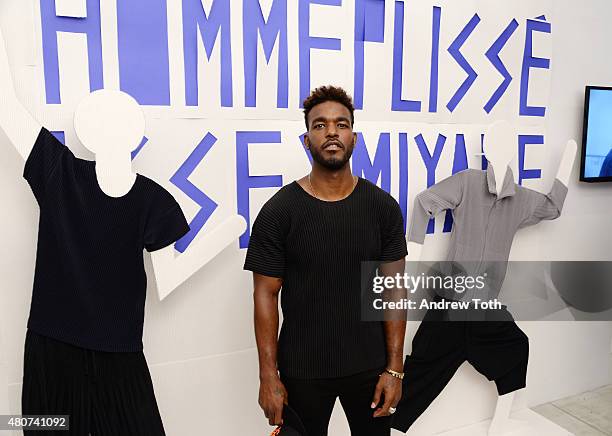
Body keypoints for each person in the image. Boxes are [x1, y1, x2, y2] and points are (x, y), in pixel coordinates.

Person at [244, 86, 408, 436]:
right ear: (306, 140)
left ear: (354, 137)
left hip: (370, 368)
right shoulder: (279, 212)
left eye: (341, 124)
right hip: (301, 371)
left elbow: (395, 292)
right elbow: (265, 295)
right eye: (319, 125)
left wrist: (395, 369)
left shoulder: (382, 208)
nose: (331, 131)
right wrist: (267, 376)